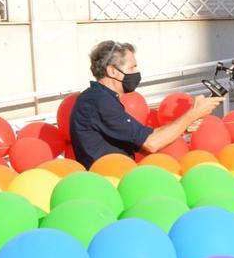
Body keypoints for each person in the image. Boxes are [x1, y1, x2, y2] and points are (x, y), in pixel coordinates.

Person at [70, 40, 222, 168]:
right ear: (112, 71)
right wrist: (193, 113)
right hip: (109, 181)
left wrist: (183, 127)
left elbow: (144, 145)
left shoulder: (101, 98)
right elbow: (151, 143)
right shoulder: (100, 101)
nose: (136, 72)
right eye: (132, 67)